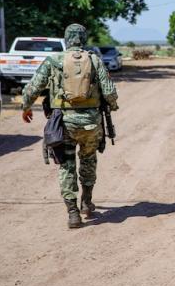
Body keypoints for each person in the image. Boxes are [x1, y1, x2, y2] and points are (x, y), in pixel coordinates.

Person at [21, 24, 119, 229]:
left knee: (66, 165)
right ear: (83, 40)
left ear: (66, 39)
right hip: (92, 123)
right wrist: (113, 105)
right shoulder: (94, 60)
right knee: (89, 160)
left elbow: (33, 87)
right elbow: (109, 91)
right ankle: (86, 202)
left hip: (63, 123)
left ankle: (73, 213)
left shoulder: (54, 61)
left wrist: (26, 107)